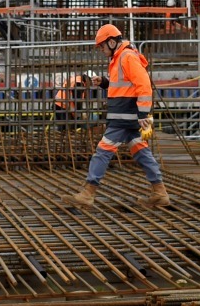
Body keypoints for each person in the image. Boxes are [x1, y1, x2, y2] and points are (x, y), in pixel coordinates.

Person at [63, 24, 171, 209]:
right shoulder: (119, 57)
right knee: (142, 153)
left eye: (103, 46)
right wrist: (105, 82)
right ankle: (159, 192)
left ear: (112, 42)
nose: (102, 50)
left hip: (124, 118)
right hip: (126, 117)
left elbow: (144, 85)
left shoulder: (127, 57)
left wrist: (143, 114)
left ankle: (88, 193)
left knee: (102, 153)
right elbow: (124, 85)